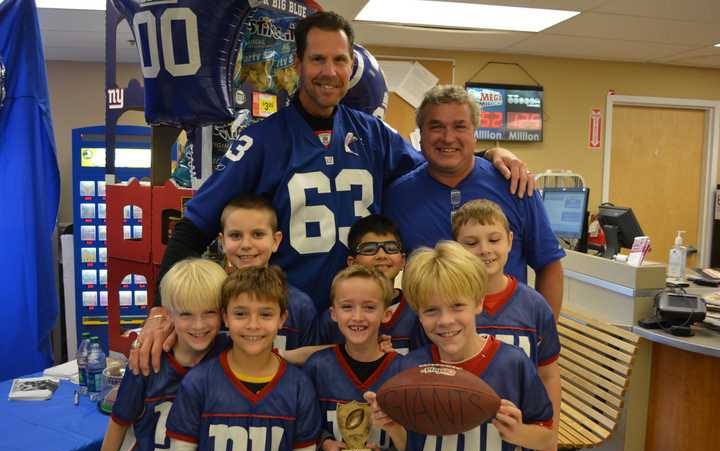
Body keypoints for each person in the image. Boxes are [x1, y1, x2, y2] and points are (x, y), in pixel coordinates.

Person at [133, 11, 534, 375]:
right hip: (292, 318)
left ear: (351, 67)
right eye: (318, 59)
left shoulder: (371, 133)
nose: (329, 71)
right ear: (297, 65)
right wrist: (159, 308)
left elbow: (435, 165)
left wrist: (487, 153)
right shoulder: (263, 140)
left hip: (363, 318)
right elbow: (195, 225)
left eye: (340, 60)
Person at [365, 241, 554, 451]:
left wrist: (518, 433)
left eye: (457, 306)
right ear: (418, 314)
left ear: (477, 303)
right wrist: (391, 426)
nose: (445, 320)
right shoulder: (410, 368)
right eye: (431, 310)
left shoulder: (511, 364)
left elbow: (545, 435)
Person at [383, 84, 564, 318]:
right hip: (427, 341)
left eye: (460, 126)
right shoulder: (398, 196)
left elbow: (548, 264)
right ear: (421, 134)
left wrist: (543, 337)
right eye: (436, 127)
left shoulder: (515, 184)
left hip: (505, 340)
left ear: (475, 133)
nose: (448, 138)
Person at [166, 266, 321, 451]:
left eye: (266, 314)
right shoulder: (198, 382)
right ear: (225, 317)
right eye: (241, 314)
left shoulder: (299, 386)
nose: (253, 325)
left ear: (282, 319)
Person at [452, 199, 561, 451]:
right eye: (471, 243)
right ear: (456, 249)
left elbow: (548, 376)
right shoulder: (447, 307)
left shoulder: (534, 306)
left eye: (494, 239)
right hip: (454, 437)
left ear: (510, 241)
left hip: (515, 439)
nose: (485, 250)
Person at [95, 258, 227, 451]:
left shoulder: (229, 352)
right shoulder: (145, 362)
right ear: (168, 315)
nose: (198, 324)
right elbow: (118, 423)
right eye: (186, 314)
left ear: (223, 313)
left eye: (209, 313)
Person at [304, 265, 403, 451]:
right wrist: (327, 445)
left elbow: (417, 444)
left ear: (386, 314)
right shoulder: (317, 367)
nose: (357, 317)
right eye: (347, 307)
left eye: (369, 307)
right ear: (333, 313)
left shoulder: (404, 371)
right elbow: (305, 429)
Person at [218, 194, 317, 351]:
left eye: (257, 234)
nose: (246, 244)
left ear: (276, 241)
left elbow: (307, 363)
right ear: (222, 242)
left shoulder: (300, 306)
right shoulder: (212, 299)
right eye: (236, 235)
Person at [318, 214, 418, 355]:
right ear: (352, 263)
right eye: (369, 249)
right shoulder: (334, 317)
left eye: (391, 248)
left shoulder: (417, 310)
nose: (382, 255)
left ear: (403, 261)